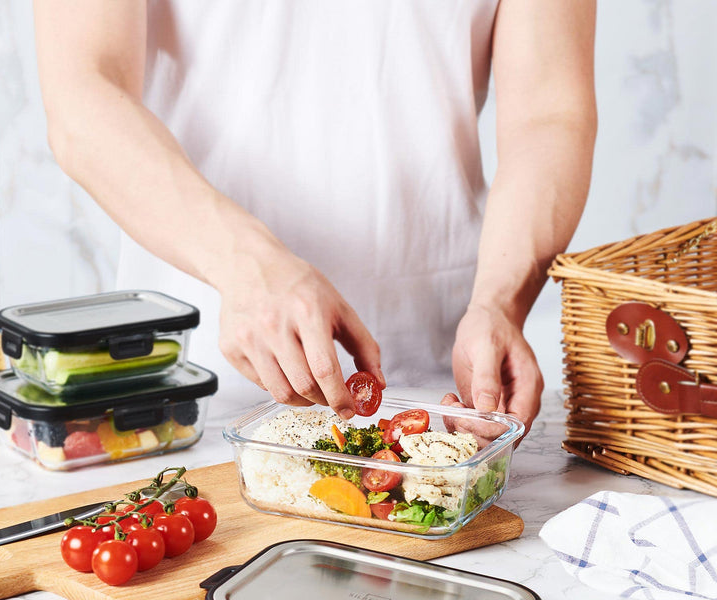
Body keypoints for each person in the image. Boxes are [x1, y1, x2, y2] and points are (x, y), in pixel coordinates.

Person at [33, 0, 596, 433]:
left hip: (442, 393)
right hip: (183, 390)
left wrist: (500, 301)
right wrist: (246, 267)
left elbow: (549, 113)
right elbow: (84, 92)